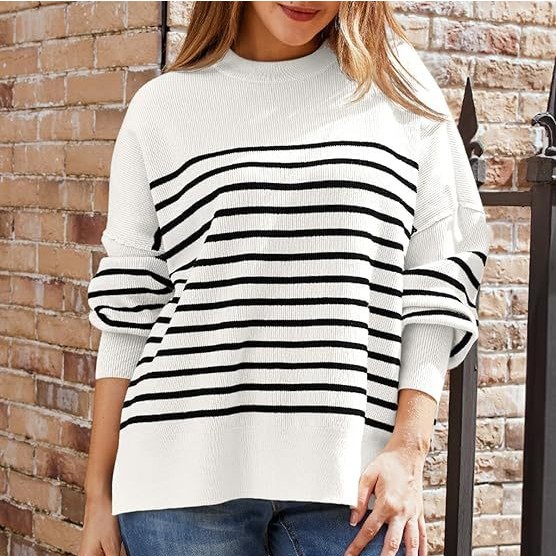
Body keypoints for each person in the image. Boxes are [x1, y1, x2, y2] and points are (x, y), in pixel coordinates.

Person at [78, 2, 491, 556]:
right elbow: (129, 310)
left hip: (354, 484)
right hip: (177, 485)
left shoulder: (398, 86)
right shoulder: (161, 108)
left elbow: (440, 267)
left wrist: (409, 449)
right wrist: (97, 497)